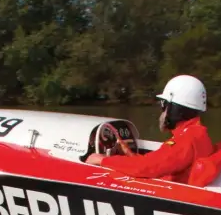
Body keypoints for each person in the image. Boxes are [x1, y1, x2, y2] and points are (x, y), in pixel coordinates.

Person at [86, 75, 214, 184]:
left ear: (176, 109)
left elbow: (146, 168)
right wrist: (130, 154)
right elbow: (155, 163)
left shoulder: (185, 142)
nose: (162, 111)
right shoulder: (199, 134)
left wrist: (102, 159)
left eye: (164, 105)